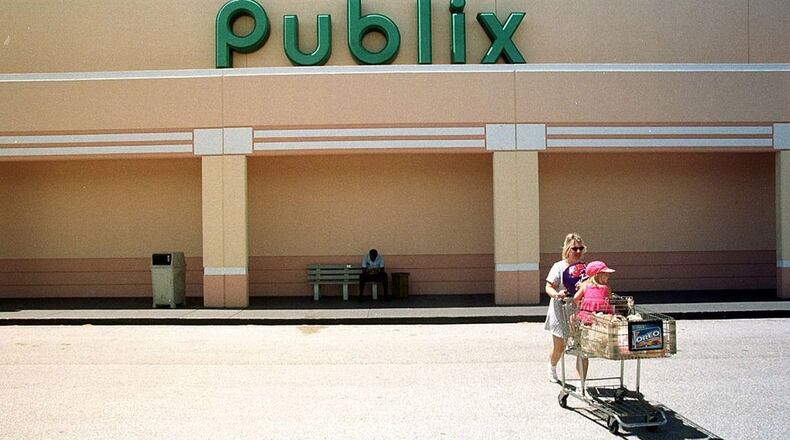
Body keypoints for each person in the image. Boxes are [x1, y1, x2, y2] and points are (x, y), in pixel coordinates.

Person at [544, 233, 587, 382]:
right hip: (560, 310)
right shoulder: (559, 266)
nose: (578, 252)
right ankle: (552, 367)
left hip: (578, 312)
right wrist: (556, 294)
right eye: (575, 248)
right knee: (560, 347)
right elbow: (548, 287)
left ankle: (582, 384)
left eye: (581, 248)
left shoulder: (584, 268)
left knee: (582, 349)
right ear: (567, 249)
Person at [572, 260, 616, 382]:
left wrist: (582, 305)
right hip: (602, 322)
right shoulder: (606, 288)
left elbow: (576, 298)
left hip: (585, 321)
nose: (608, 275)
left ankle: (582, 381)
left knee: (583, 352)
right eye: (605, 273)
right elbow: (610, 302)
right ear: (597, 275)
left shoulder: (585, 286)